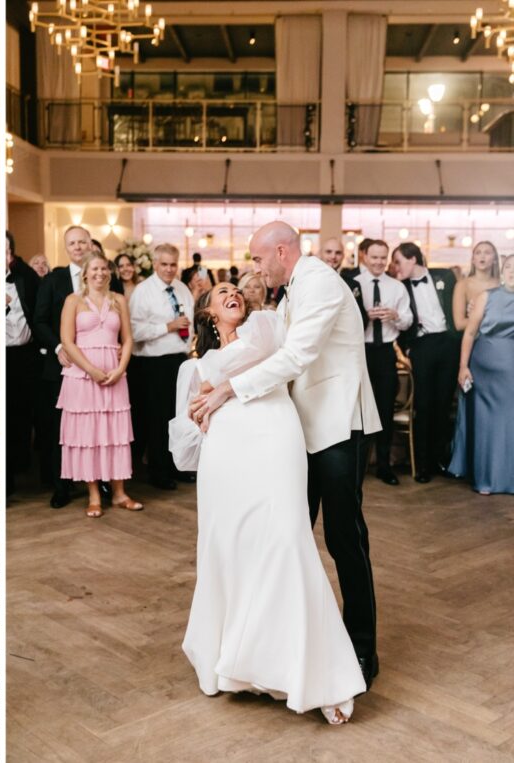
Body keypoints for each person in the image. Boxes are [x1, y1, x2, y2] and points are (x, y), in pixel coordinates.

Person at [190, 222, 382, 690]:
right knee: (287, 536)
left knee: (343, 538)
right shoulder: (295, 288)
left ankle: (360, 649)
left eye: (257, 260)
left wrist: (229, 390)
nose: (255, 269)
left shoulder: (318, 282)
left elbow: (296, 356)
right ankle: (284, 647)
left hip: (337, 426)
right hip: (301, 431)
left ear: (280, 251)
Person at [170, 285, 365, 724]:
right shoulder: (196, 367)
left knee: (286, 538)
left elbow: (284, 362)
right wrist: (200, 411)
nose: (233, 293)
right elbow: (187, 435)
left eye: (237, 289)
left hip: (276, 437)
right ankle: (233, 660)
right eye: (222, 292)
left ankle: (318, 676)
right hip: (226, 455)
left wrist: (223, 389)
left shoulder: (268, 326)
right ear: (206, 311)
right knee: (229, 545)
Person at [33, 225, 122, 508]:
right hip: (64, 365)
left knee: (103, 427)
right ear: (66, 247)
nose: (78, 247)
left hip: (104, 365)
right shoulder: (54, 279)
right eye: (72, 243)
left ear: (91, 244)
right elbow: (40, 320)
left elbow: (117, 323)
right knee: (65, 429)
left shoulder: (109, 280)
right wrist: (60, 347)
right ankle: (63, 486)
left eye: (83, 241)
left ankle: (106, 481)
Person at [57, 251, 140, 517]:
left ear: (110, 272)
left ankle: (119, 493)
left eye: (104, 269)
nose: (100, 273)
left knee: (115, 434)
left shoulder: (118, 300)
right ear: (85, 273)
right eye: (94, 269)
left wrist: (120, 368)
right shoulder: (73, 300)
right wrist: (91, 370)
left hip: (114, 375)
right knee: (88, 435)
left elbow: (127, 339)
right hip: (82, 376)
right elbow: (67, 340)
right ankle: (93, 495)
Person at [393, 242, 461, 483]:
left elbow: (458, 305)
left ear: (412, 259)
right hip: (422, 347)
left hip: (448, 344)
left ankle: (438, 460)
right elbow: (398, 322)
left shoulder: (444, 276)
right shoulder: (399, 288)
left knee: (443, 405)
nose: (396, 267)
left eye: (399, 261)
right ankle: (422, 465)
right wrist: (409, 350)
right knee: (423, 405)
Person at [128, 243, 193, 490]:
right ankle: (158, 470)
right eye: (164, 264)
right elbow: (134, 330)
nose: (169, 269)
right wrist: (168, 326)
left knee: (179, 416)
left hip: (180, 359)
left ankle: (178, 466)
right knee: (158, 420)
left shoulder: (182, 288)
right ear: (155, 264)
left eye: (173, 264)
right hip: (153, 363)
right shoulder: (143, 291)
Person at [449, 255, 514, 495]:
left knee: (509, 423)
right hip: (483, 370)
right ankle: (486, 479)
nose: (512, 271)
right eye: (509, 267)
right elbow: (469, 333)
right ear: (503, 270)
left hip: (511, 372)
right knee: (486, 424)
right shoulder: (486, 296)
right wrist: (463, 366)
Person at [353, 240, 412, 485]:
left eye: (383, 258)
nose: (378, 262)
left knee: (385, 408)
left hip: (386, 352)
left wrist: (396, 316)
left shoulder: (397, 287)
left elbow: (408, 321)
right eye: (374, 257)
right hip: (359, 352)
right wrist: (364, 317)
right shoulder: (354, 284)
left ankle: (384, 465)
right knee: (357, 409)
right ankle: (358, 465)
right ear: (365, 256)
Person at [6, 231, 42, 496]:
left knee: (22, 413)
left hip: (25, 355)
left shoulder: (26, 277)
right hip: (1, 354)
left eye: (7, 253)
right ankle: (6, 482)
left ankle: (19, 468)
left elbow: (38, 314)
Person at [453, 241, 500, 332]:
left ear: (495, 260)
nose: (482, 256)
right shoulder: (462, 285)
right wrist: (491, 319)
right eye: (478, 253)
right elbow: (459, 324)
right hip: (473, 338)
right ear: (473, 260)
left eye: (487, 253)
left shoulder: (502, 285)